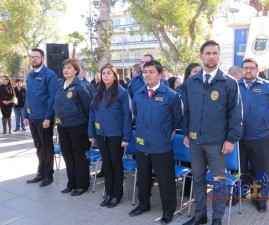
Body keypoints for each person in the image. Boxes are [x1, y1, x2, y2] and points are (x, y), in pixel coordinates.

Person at [182, 40, 243, 225]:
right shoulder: (191, 82)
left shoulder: (229, 83)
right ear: (201, 56)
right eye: (207, 53)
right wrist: (186, 133)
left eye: (214, 53)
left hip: (217, 143)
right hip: (195, 142)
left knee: (218, 182)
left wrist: (231, 139)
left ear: (219, 55)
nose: (211, 56)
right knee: (198, 179)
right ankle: (200, 215)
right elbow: (187, 112)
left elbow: (236, 113)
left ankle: (217, 219)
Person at [129, 60, 182, 224]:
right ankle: (144, 204)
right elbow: (136, 116)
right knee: (143, 178)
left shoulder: (171, 95)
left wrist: (165, 133)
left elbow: (177, 119)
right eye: (145, 72)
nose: (147, 75)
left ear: (160, 75)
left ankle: (168, 210)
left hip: (162, 145)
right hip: (142, 144)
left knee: (165, 180)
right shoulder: (138, 94)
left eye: (151, 72)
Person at [238, 58, 269, 213]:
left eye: (251, 68)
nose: (248, 70)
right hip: (238, 138)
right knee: (239, 169)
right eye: (245, 68)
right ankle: (240, 194)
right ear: (242, 70)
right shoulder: (234, 86)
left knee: (260, 170)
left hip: (259, 137)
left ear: (257, 70)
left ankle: (260, 200)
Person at [88, 64, 132, 207]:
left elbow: (127, 115)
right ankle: (108, 194)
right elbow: (92, 114)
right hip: (101, 134)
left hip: (116, 135)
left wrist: (126, 137)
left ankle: (116, 195)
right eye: (103, 73)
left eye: (108, 73)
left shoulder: (122, 92)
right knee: (106, 164)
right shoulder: (98, 92)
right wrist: (91, 133)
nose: (105, 75)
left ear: (115, 75)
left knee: (116, 164)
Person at [54, 58, 92, 196]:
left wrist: (90, 130)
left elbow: (88, 109)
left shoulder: (81, 86)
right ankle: (72, 183)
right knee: (67, 156)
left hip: (78, 126)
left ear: (76, 70)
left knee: (79, 156)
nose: (66, 70)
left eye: (69, 67)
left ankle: (82, 185)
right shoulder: (60, 85)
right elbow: (56, 104)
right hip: (62, 126)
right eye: (64, 67)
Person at [24, 48, 58, 187]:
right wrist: (26, 115)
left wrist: (48, 118)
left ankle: (48, 175)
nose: (33, 59)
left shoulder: (50, 75)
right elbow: (28, 97)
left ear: (42, 58)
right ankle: (41, 172)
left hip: (44, 118)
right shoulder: (30, 75)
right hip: (32, 117)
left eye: (36, 57)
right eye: (32, 57)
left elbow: (52, 98)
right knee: (38, 147)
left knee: (47, 146)